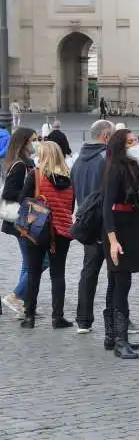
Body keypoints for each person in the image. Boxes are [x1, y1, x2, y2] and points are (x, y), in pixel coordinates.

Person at [102, 129, 139, 360]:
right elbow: (106, 206)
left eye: (136, 140)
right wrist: (112, 241)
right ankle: (120, 340)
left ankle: (113, 336)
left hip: (130, 226)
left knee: (117, 281)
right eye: (130, 141)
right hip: (119, 230)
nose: (135, 143)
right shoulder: (114, 168)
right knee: (121, 282)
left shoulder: (131, 166)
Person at [18, 141, 75, 329]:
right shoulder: (69, 178)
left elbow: (23, 201)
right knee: (58, 274)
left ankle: (29, 316)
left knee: (34, 272)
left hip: (37, 229)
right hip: (62, 230)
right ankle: (57, 317)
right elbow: (71, 206)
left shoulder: (35, 175)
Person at [72, 120, 116, 333]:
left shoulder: (78, 160)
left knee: (89, 271)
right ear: (106, 136)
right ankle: (117, 318)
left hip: (87, 222)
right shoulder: (106, 158)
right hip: (108, 223)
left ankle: (83, 320)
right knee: (116, 272)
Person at [1, 127, 38, 317]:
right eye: (34, 139)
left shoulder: (26, 162)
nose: (36, 143)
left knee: (27, 263)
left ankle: (23, 302)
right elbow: (8, 193)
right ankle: (15, 297)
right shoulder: (20, 165)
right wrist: (30, 196)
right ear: (24, 142)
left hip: (23, 220)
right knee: (39, 262)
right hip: (21, 220)